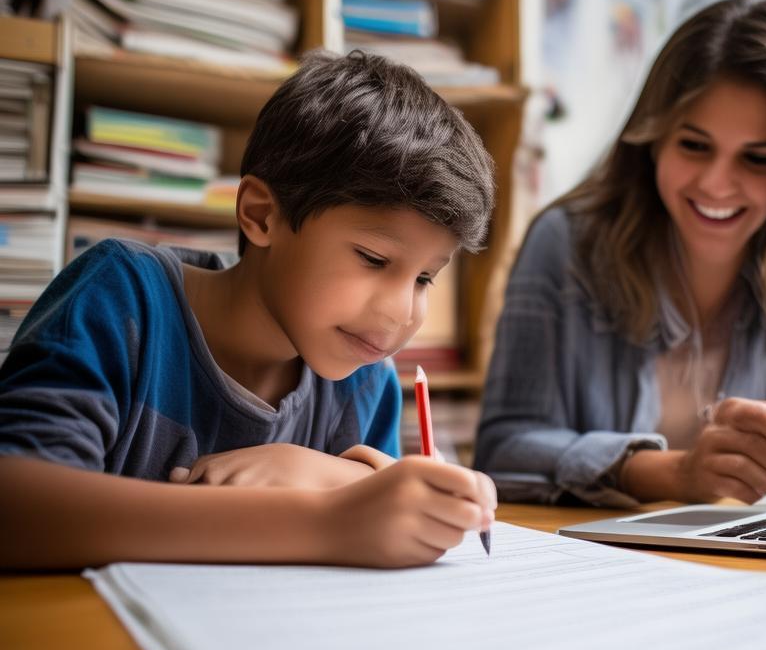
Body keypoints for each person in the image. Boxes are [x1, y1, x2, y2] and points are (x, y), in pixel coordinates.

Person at [0, 51, 497, 569]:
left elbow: (381, 512)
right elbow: (16, 505)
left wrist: (324, 474)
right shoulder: (123, 299)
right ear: (261, 216)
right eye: (373, 259)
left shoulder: (364, 378)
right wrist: (323, 521)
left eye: (424, 278)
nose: (401, 312)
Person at [476, 0, 766, 509]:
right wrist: (677, 474)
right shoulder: (564, 244)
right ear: (653, 139)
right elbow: (504, 449)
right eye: (694, 146)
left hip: (762, 552)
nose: (715, 185)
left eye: (759, 159)